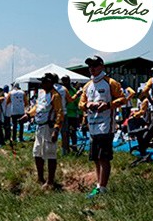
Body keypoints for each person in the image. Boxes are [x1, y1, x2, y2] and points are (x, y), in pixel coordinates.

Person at [79, 55, 126, 198]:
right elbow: (81, 104)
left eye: (95, 66)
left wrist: (108, 105)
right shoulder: (87, 86)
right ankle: (98, 185)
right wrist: (87, 105)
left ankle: (103, 188)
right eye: (89, 66)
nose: (92, 69)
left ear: (102, 66)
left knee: (104, 157)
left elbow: (123, 99)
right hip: (92, 126)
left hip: (106, 126)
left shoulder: (110, 82)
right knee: (95, 158)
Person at [22, 73, 63, 189]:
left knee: (50, 154)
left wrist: (56, 129)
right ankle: (40, 178)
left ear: (50, 82)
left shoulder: (55, 96)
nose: (42, 84)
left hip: (49, 128)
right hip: (39, 127)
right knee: (37, 152)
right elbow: (36, 107)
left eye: (44, 81)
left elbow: (60, 113)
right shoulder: (41, 94)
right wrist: (28, 115)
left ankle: (50, 181)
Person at [53, 74, 83, 155]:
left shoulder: (72, 90)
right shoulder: (60, 89)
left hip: (72, 115)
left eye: (66, 80)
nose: (65, 81)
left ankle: (74, 148)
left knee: (72, 132)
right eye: (63, 80)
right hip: (64, 114)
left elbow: (77, 102)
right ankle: (66, 149)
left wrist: (80, 114)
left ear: (69, 80)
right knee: (64, 133)